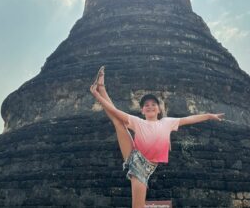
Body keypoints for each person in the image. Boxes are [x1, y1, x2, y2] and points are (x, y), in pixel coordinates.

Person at [90, 66, 224, 208]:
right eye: (146, 105)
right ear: (142, 110)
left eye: (153, 104)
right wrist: (98, 95)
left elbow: (189, 119)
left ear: (159, 109)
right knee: (118, 122)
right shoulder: (138, 121)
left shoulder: (167, 122)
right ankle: (102, 87)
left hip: (146, 166)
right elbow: (114, 111)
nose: (150, 106)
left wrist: (209, 115)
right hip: (135, 158)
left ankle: (101, 89)